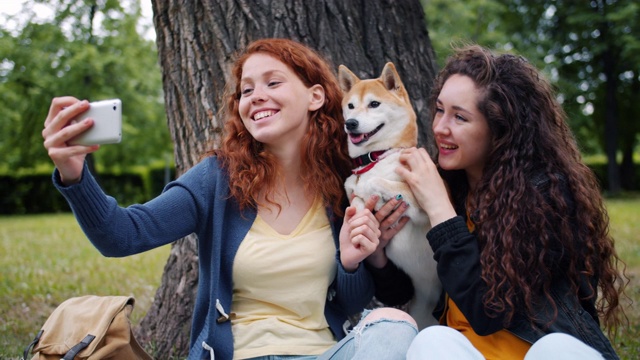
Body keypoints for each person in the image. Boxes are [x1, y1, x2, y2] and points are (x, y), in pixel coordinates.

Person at [41, 38, 418, 360]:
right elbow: (122, 235)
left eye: (273, 82)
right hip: (239, 353)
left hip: (322, 351)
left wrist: (352, 265)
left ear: (315, 96)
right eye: (247, 89)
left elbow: (352, 305)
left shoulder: (344, 185)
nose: (257, 97)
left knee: (396, 327)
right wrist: (75, 174)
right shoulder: (217, 178)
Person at [370, 45, 627, 359]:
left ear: (499, 128)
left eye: (460, 117)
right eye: (439, 110)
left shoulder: (544, 197)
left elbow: (488, 311)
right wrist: (380, 254)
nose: (439, 128)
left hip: (540, 352)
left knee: (554, 348)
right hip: (467, 352)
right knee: (431, 340)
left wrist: (439, 209)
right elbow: (405, 292)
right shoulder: (447, 186)